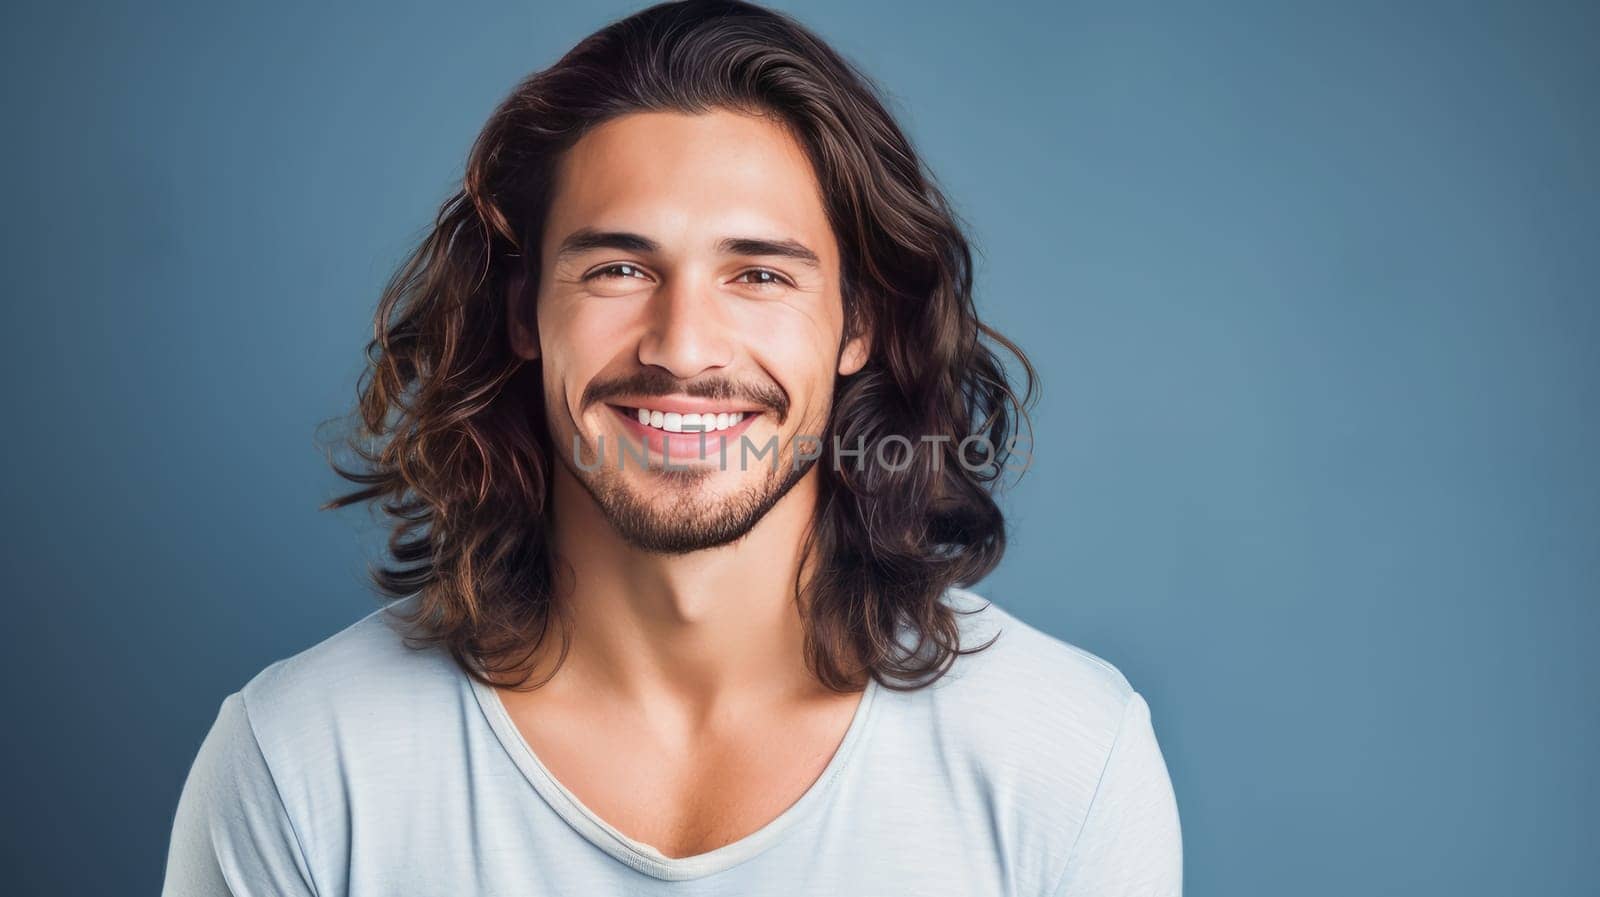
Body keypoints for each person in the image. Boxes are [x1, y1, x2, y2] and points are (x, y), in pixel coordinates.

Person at [160, 1, 1182, 894]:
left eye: (760, 276)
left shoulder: (1066, 759)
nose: (682, 348)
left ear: (856, 325)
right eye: (616, 268)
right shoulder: (299, 764)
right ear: (525, 313)